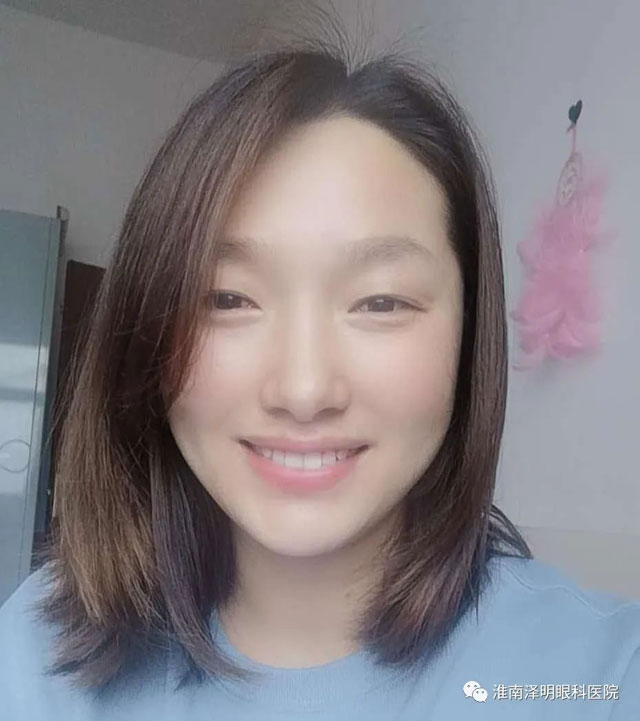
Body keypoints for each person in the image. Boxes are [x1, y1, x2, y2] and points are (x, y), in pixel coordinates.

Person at [0, 35, 638, 721]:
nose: (303, 391)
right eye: (227, 299)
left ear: (469, 334)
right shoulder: (38, 655)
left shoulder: (600, 675)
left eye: (381, 302)